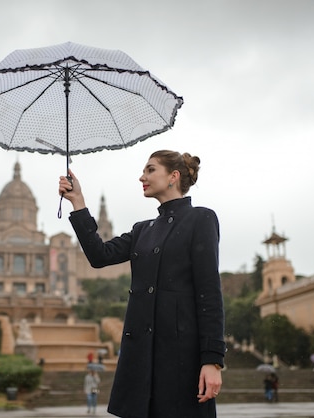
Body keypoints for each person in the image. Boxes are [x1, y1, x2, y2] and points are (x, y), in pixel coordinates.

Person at [58, 150, 225, 418]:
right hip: (141, 357)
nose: (141, 177)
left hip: (182, 356)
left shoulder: (201, 219)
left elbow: (209, 294)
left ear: (173, 176)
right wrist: (78, 201)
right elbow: (99, 255)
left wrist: (213, 360)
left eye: (150, 170)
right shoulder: (141, 230)